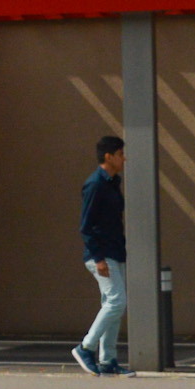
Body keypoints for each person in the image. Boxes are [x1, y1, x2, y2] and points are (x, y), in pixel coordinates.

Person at [74, 135, 127, 375]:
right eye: (120, 154)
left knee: (112, 304)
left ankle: (108, 362)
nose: (123, 158)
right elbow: (86, 225)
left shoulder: (112, 182)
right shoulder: (95, 184)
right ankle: (86, 347)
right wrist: (98, 258)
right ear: (109, 157)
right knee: (117, 301)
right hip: (102, 255)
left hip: (115, 252)